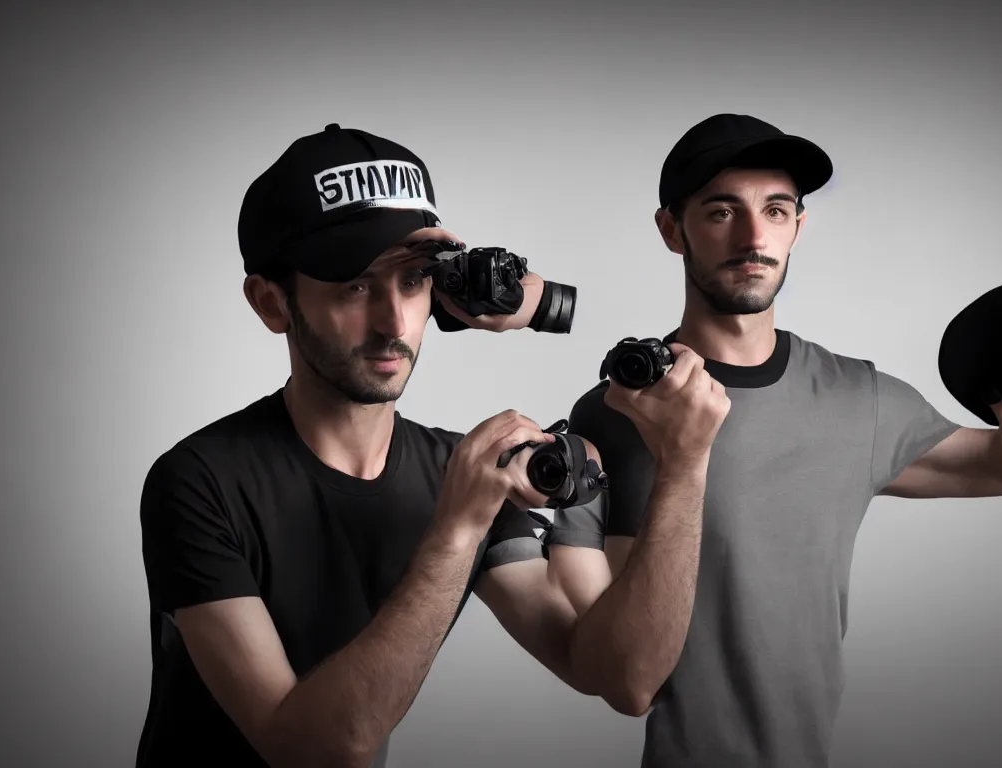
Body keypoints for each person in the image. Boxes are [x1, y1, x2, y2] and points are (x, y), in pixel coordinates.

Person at [133, 123, 730, 768]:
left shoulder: (456, 471)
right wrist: (454, 533)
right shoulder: (198, 482)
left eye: (413, 282)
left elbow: (624, 680)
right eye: (355, 287)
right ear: (271, 302)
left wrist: (684, 467)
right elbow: (311, 750)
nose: (393, 324)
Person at [543, 113, 1002, 768]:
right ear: (673, 229)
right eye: (722, 212)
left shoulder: (858, 400)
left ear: (797, 228)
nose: (754, 236)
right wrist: (681, 459)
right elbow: (627, 678)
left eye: (776, 211)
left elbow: (998, 464)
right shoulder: (615, 414)